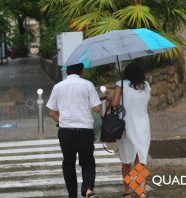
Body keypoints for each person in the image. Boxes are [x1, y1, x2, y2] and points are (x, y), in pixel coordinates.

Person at [46, 63, 102, 198]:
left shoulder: (58, 87)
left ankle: (72, 195)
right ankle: (88, 189)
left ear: (67, 72)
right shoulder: (88, 85)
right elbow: (98, 108)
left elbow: (51, 112)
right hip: (85, 131)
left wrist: (62, 121)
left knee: (68, 163)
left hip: (66, 132)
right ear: (81, 71)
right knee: (87, 162)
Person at [110, 63, 151, 198]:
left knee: (127, 159)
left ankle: (127, 192)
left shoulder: (120, 84)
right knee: (141, 158)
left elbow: (115, 104)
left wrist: (114, 95)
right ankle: (141, 191)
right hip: (143, 125)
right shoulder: (146, 86)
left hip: (126, 126)